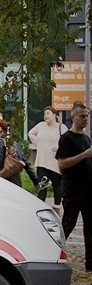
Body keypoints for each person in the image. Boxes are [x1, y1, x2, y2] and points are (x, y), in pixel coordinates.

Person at [55, 103, 92, 273]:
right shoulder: (66, 138)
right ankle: (54, 257)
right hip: (72, 190)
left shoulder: (86, 138)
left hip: (88, 190)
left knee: (90, 228)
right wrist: (84, 155)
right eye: (82, 116)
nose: (85, 119)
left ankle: (90, 265)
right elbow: (62, 164)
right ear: (73, 117)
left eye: (86, 116)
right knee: (67, 225)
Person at [28, 106, 67, 209]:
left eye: (48, 113)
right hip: (42, 162)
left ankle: (57, 208)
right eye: (44, 114)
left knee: (57, 186)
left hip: (55, 162)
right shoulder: (41, 125)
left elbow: (67, 141)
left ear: (54, 115)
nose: (45, 116)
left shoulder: (61, 127)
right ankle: (40, 208)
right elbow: (30, 133)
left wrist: (59, 148)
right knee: (42, 186)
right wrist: (37, 142)